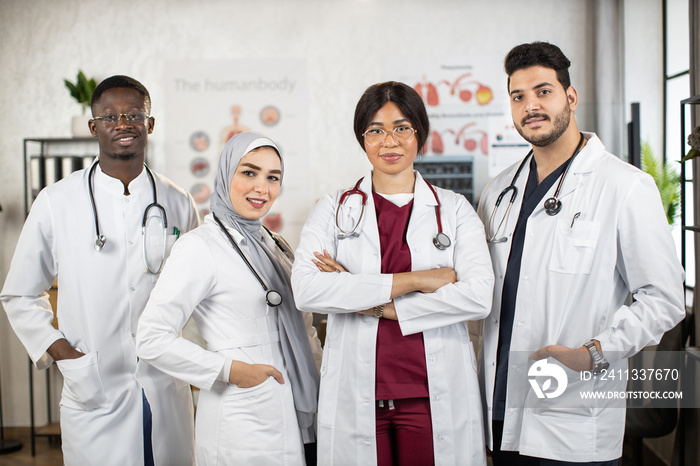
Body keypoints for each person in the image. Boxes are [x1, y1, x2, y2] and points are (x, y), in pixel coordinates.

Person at [476, 42, 686, 465]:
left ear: (570, 97)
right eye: (518, 96)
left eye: (543, 91)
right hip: (498, 411)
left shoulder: (624, 186)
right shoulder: (498, 192)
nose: (530, 106)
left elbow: (663, 298)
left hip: (571, 414)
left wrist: (592, 354)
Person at [291, 81, 494, 466]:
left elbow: (478, 296)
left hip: (431, 395)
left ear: (420, 134)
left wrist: (364, 299)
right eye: (376, 130)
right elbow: (307, 289)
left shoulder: (454, 208)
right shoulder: (333, 209)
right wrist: (419, 280)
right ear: (362, 139)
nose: (390, 141)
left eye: (402, 128)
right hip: (358, 392)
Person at [1, 75, 199, 465]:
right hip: (94, 381)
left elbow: (200, 288)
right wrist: (62, 353)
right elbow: (20, 293)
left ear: (150, 124)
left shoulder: (177, 201)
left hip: (163, 379)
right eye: (110, 116)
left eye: (134, 115)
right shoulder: (57, 201)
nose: (123, 124)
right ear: (93, 127)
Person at [136, 131, 322, 466]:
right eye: (249, 172)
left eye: (273, 177)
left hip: (302, 411)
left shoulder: (276, 245)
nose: (261, 188)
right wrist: (230, 370)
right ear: (226, 174)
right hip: (244, 416)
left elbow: (304, 328)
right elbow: (151, 338)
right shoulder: (199, 247)